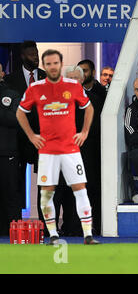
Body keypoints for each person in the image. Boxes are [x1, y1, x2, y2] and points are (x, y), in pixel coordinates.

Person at [16, 49, 99, 245]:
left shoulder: (73, 86)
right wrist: (32, 136)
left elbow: (89, 108)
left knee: (80, 190)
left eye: (55, 63)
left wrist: (84, 132)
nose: (53, 67)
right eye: (49, 64)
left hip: (71, 150)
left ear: (60, 65)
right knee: (48, 193)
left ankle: (87, 234)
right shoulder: (35, 88)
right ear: (44, 66)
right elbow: (20, 113)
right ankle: (52, 234)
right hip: (47, 152)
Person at [4, 40, 47, 229]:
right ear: (22, 56)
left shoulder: (47, 77)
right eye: (31, 54)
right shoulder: (11, 80)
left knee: (45, 183)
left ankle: (45, 224)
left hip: (42, 139)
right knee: (15, 183)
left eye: (37, 54)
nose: (36, 58)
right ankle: (13, 224)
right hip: (17, 139)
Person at [68, 65, 104, 235]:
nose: (73, 81)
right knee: (67, 192)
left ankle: (93, 226)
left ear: (82, 80)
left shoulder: (94, 100)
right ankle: (71, 227)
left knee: (90, 190)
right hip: (64, 153)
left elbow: (96, 128)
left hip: (88, 153)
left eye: (76, 78)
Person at [0, 78, 22, 235]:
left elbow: (16, 118)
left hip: (7, 152)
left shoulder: (12, 94)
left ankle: (13, 233)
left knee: (10, 194)